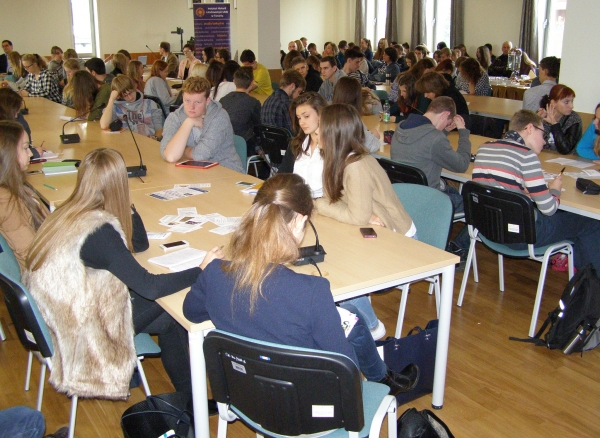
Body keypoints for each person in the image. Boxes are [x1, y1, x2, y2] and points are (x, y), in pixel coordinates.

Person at [182, 173, 419, 396]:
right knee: (341, 323)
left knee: (351, 317)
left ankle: (382, 376)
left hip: (246, 396)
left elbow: (192, 312)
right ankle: (381, 380)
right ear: (299, 221)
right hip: (310, 407)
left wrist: (204, 272)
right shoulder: (312, 292)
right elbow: (347, 372)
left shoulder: (214, 274)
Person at [24, 148, 223, 399]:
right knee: (173, 307)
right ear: (119, 184)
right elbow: (150, 286)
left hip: (59, 314)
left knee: (168, 318)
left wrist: (125, 205)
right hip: (81, 331)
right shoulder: (98, 233)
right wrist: (201, 269)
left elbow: (138, 244)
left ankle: (190, 398)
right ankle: (193, 399)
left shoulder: (70, 210)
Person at [473, 109, 600, 274]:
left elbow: (494, 188)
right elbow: (549, 209)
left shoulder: (485, 147)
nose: (545, 141)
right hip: (521, 235)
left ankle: (578, 267)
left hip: (488, 228)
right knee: (590, 221)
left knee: (573, 223)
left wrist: (521, 192)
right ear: (529, 128)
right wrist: (555, 190)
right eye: (543, 134)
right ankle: (590, 278)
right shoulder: (527, 156)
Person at [316, 102, 416, 239]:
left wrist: (319, 203)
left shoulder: (355, 167)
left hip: (397, 235)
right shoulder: (334, 159)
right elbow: (331, 199)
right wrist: (360, 214)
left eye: (320, 126)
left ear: (334, 133)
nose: (316, 131)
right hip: (375, 229)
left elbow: (357, 217)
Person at [391, 96, 471, 216]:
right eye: (447, 122)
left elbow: (424, 145)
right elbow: (462, 165)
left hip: (402, 195)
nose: (445, 126)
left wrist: (444, 131)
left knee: (452, 192)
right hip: (428, 200)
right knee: (470, 204)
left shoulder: (401, 127)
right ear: (445, 115)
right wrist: (463, 133)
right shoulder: (435, 138)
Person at [160, 76, 244, 172]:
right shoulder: (175, 117)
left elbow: (200, 155)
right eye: (187, 101)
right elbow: (170, 156)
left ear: (207, 101)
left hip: (227, 171)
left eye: (197, 102)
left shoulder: (219, 117)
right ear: (182, 97)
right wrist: (188, 123)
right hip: (195, 172)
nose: (191, 107)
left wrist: (181, 150)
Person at [0, 120, 48, 272]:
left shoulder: (13, 188)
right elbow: (32, 255)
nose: (30, 153)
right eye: (26, 148)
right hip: (43, 274)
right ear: (8, 153)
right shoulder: (8, 202)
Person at [99, 74, 163, 139]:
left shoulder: (150, 104)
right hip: (126, 142)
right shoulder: (115, 107)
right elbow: (104, 125)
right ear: (119, 96)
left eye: (131, 92)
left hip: (148, 141)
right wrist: (111, 100)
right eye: (125, 95)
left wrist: (155, 137)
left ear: (135, 87)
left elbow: (159, 130)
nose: (130, 97)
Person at [220, 67, 262, 156]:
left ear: (234, 82)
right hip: (245, 146)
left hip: (224, 144)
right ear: (252, 83)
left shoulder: (223, 100)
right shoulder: (253, 103)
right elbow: (259, 126)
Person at [538, 84, 582, 154]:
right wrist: (537, 121)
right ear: (553, 103)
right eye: (566, 102)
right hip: (543, 156)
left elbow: (565, 150)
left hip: (567, 158)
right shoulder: (542, 114)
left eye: (572, 101)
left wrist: (554, 124)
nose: (571, 106)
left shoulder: (574, 119)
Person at [261, 69, 305, 133]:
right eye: (299, 92)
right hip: (284, 139)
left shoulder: (267, 101)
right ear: (292, 86)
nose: (298, 96)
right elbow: (292, 133)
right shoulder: (287, 104)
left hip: (268, 139)